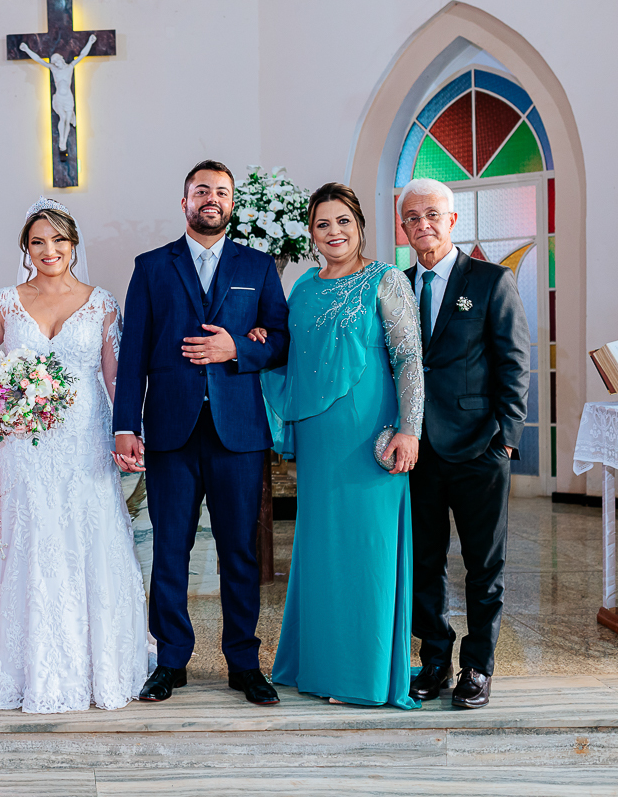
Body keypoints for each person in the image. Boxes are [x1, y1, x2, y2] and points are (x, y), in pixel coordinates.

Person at [0, 198, 149, 713]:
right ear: (26, 248)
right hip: (24, 446)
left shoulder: (101, 304)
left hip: (84, 442)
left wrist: (129, 431)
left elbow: (116, 375)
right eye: (38, 241)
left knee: (85, 540)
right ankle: (20, 665)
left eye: (58, 239)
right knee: (27, 542)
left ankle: (93, 663)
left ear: (73, 244)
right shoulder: (4, 303)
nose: (49, 250)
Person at [113, 160, 288, 705]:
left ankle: (243, 662)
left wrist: (239, 347)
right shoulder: (150, 267)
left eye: (221, 192)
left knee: (241, 551)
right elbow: (134, 352)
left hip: (238, 432)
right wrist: (125, 426)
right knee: (170, 549)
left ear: (233, 203)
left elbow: (282, 339)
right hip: (170, 429)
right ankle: (169, 661)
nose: (211, 198)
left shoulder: (258, 267)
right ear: (183, 201)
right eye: (200, 191)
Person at [263, 183, 423, 709]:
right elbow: (286, 355)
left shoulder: (387, 279)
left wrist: (410, 428)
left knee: (368, 549)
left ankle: (363, 674)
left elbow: (409, 359)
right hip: (319, 440)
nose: (334, 232)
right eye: (323, 224)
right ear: (311, 233)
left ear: (360, 227)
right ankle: (318, 663)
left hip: (371, 438)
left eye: (343, 222)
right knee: (322, 547)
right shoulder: (303, 288)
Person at [400, 178, 529, 709]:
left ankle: (477, 667)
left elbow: (515, 363)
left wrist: (506, 439)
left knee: (484, 565)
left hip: (480, 447)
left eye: (432, 214)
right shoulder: (395, 285)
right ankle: (434, 660)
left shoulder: (492, 281)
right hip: (417, 449)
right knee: (424, 562)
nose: (422, 225)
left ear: (452, 220)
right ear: (403, 227)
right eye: (412, 217)